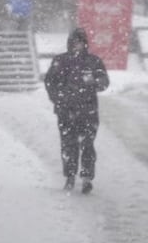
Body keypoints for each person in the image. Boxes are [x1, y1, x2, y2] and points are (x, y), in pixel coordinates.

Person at [44, 27, 110, 193]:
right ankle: (70, 176)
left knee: (87, 144)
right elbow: (50, 82)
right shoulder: (61, 60)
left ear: (85, 43)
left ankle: (87, 178)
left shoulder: (93, 62)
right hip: (66, 112)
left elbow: (104, 82)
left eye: (80, 42)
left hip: (88, 112)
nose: (77, 45)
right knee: (68, 145)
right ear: (69, 43)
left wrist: (93, 81)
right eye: (74, 42)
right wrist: (58, 99)